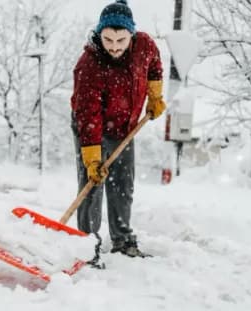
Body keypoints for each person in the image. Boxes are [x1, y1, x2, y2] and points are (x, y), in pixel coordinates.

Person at [70, 0, 166, 258]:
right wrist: (92, 158)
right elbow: (87, 113)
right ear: (99, 34)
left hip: (125, 126)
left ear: (131, 35)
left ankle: (123, 240)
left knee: (123, 183)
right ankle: (87, 244)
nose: (114, 47)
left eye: (120, 40)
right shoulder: (89, 65)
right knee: (93, 184)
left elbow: (154, 65)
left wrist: (155, 95)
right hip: (93, 127)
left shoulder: (145, 46)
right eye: (108, 40)